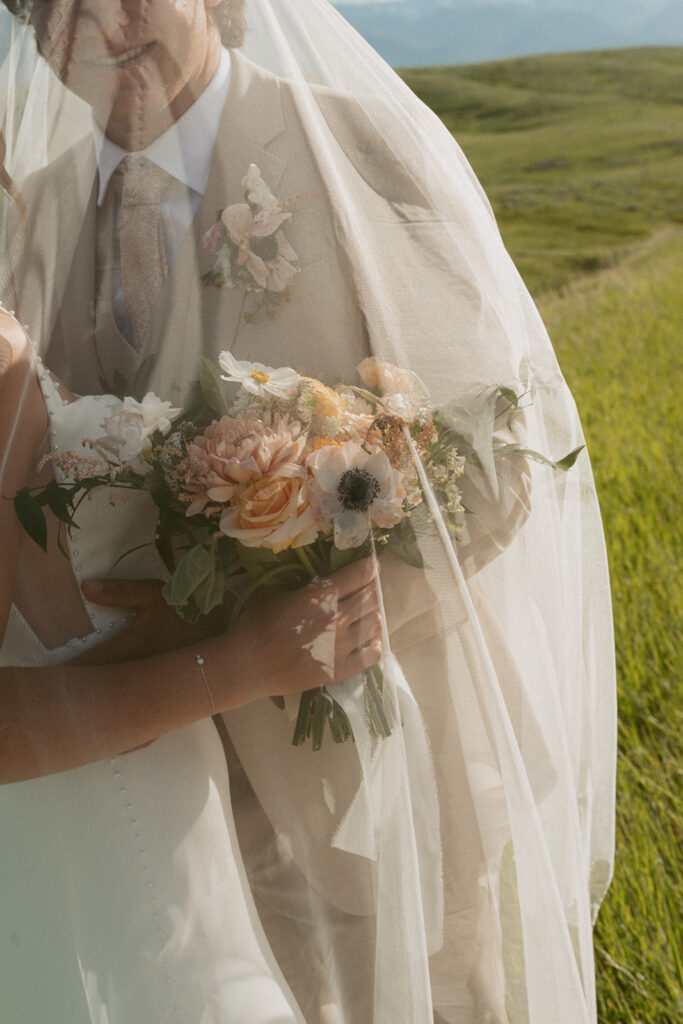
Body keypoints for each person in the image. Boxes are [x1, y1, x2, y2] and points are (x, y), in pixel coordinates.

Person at [0, 2, 617, 1022]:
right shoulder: (37, 211)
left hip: (371, 785)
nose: (105, 25)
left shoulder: (358, 145)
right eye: (60, 4)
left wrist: (254, 629)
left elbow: (496, 456)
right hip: (165, 824)